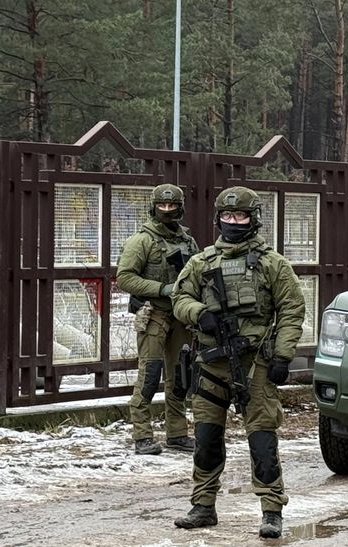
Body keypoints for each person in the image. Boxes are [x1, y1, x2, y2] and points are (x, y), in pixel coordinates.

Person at [171, 186, 305, 539]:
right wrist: (199, 313)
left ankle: (272, 510)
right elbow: (179, 298)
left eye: (240, 216)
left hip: (255, 363)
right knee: (206, 438)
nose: (233, 222)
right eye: (227, 216)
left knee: (262, 439)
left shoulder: (272, 264)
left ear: (253, 219)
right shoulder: (201, 262)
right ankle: (203, 505)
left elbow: (292, 310)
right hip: (211, 362)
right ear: (218, 219)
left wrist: (282, 356)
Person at [116, 183, 199, 455]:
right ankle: (142, 435)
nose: (167, 210)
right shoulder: (142, 240)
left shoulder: (188, 241)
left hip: (181, 316)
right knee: (150, 374)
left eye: (172, 205)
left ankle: (177, 434)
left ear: (180, 208)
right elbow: (125, 277)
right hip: (153, 314)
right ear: (153, 207)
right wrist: (162, 289)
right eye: (162, 205)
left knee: (180, 376)